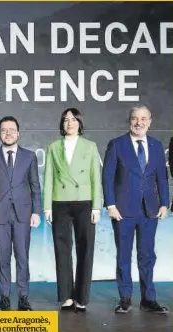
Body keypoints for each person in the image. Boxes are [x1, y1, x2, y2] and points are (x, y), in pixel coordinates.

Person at [102, 105, 169, 314]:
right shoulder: (116, 145)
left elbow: (162, 178)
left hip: (150, 210)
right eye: (134, 118)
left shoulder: (157, 146)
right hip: (122, 210)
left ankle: (149, 299)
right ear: (129, 121)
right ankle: (125, 298)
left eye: (143, 119)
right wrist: (111, 205)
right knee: (123, 255)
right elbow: (107, 178)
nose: (138, 123)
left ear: (150, 121)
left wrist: (165, 203)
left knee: (147, 255)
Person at [43, 108, 102, 312]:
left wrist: (97, 205)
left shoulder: (90, 146)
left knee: (86, 250)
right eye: (66, 120)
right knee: (62, 250)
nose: (69, 123)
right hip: (60, 202)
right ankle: (66, 296)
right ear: (62, 124)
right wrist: (47, 206)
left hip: (84, 202)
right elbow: (48, 176)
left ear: (79, 123)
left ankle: (82, 297)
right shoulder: (53, 146)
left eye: (73, 119)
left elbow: (96, 177)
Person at [0, 116, 42, 311]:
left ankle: (23, 297)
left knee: (22, 258)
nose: (8, 133)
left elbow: (35, 186)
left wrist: (36, 211)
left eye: (12, 129)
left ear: (18, 133)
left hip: (23, 214)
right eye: (4, 130)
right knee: (3, 258)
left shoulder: (29, 156)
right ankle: (4, 298)